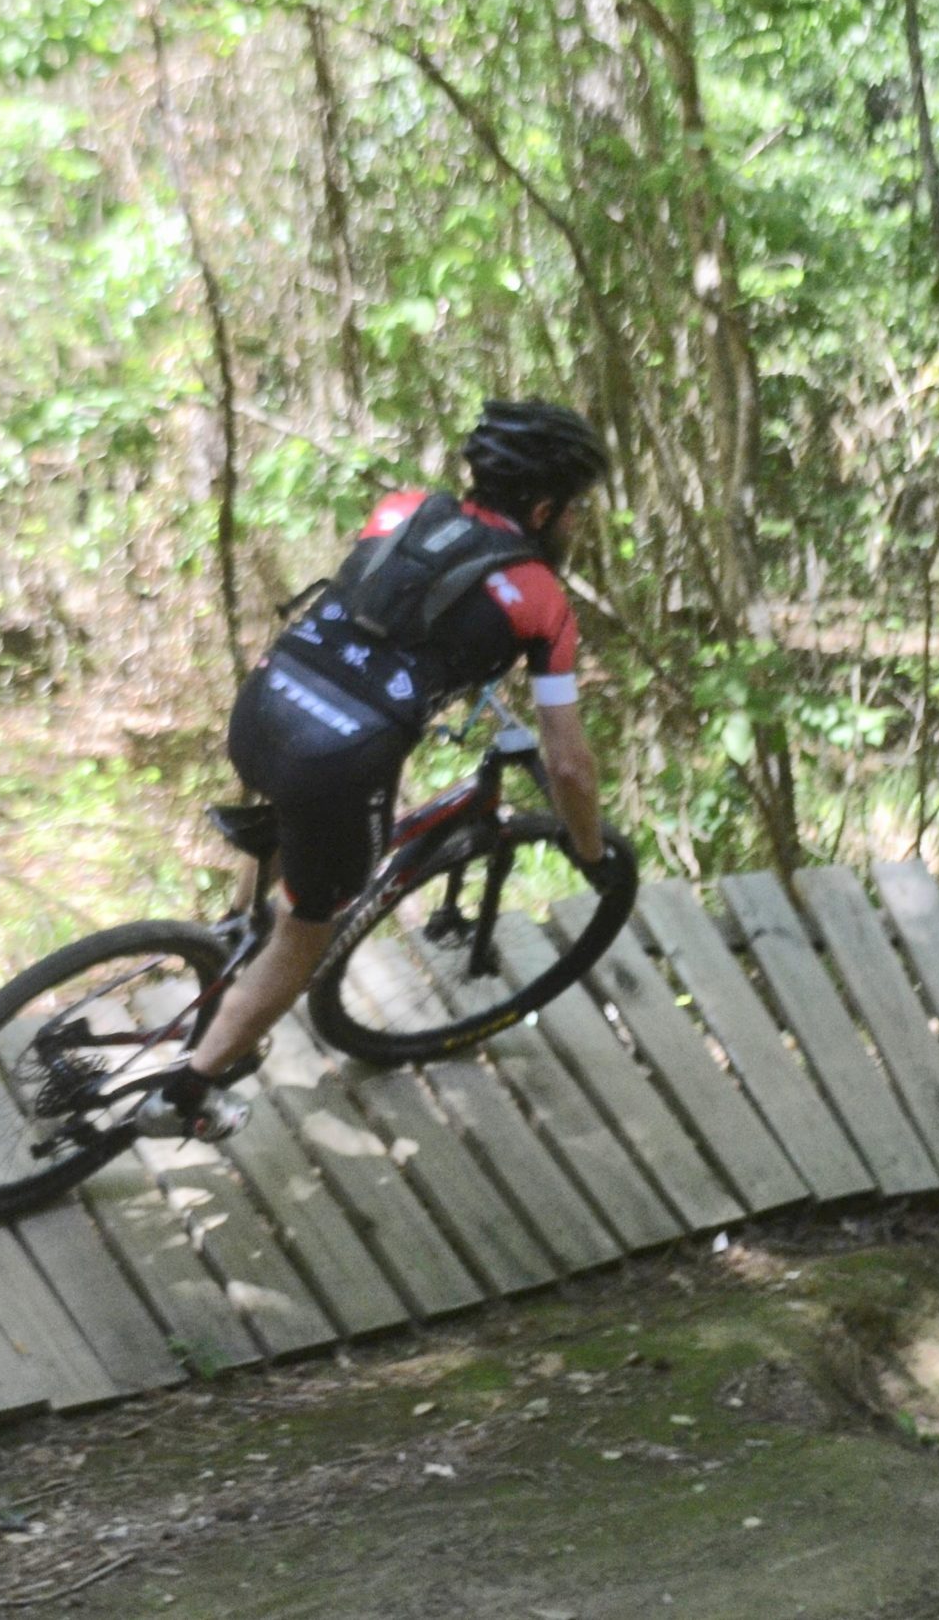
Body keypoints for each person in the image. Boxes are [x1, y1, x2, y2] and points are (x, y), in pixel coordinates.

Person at [137, 400, 616, 1140]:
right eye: (576, 512)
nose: (578, 527)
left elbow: (399, 603)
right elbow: (570, 767)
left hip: (263, 704)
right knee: (310, 929)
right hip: (336, 759)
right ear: (546, 508)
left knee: (299, 840)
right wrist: (587, 851)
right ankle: (185, 1096)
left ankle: (237, 933)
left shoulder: (400, 509)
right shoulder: (543, 601)